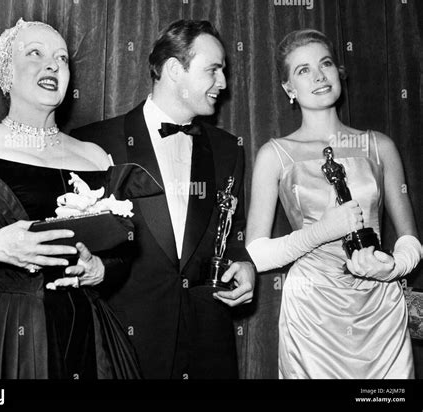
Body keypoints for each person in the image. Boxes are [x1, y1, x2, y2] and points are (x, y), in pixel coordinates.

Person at [0, 18, 145, 379]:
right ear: (6, 73)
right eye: (35, 54)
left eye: (62, 58)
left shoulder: (95, 157)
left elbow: (124, 248)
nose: (52, 65)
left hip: (86, 334)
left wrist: (99, 270)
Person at [71, 19, 255, 379]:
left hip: (207, 346)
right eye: (214, 70)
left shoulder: (227, 148)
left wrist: (243, 263)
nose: (223, 84)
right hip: (125, 347)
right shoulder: (94, 144)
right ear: (174, 69)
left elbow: (234, 232)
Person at [246, 29, 421, 379]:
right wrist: (321, 232)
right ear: (288, 89)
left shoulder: (378, 146)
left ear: (338, 72)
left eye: (325, 64)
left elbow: (410, 240)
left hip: (379, 309)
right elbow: (258, 252)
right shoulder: (274, 155)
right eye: (303, 70)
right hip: (312, 315)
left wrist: (393, 267)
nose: (318, 76)